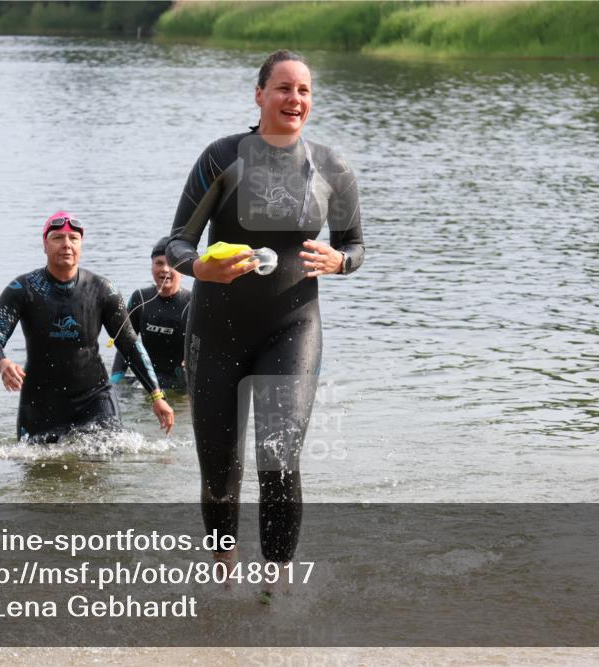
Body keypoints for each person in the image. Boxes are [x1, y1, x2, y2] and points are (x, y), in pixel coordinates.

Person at [165, 50, 364, 599]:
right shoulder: (222, 157)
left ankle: (276, 591)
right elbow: (177, 241)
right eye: (283, 88)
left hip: (292, 327)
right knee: (219, 469)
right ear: (259, 95)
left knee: (279, 459)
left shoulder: (332, 168)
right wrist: (198, 267)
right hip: (216, 329)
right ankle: (225, 582)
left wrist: (340, 261)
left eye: (304, 90)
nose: (294, 99)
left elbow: (355, 246)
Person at [0, 211, 174, 443]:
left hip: (95, 397)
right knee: (34, 462)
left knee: (111, 452)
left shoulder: (103, 289)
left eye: (73, 238)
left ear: (81, 244)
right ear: (45, 245)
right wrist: (2, 363)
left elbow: (129, 344)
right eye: (57, 238)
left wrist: (156, 396)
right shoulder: (22, 289)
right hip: (40, 401)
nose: (66, 244)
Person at [110, 236, 191, 392]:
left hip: (180, 386)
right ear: (152, 266)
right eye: (159, 263)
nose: (165, 269)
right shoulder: (140, 299)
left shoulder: (192, 304)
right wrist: (115, 380)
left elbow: (206, 349)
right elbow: (125, 344)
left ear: (182, 270)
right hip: (147, 382)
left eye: (171, 264)